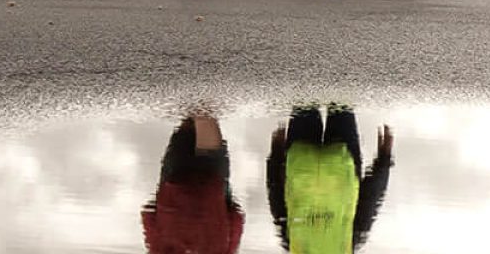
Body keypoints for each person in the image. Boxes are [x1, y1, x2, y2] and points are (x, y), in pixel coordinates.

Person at [266, 106, 393, 254]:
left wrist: (383, 160)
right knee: (305, 99)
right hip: (301, 163)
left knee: (341, 103)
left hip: (341, 165)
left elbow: (367, 204)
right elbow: (277, 204)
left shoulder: (345, 248)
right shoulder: (297, 248)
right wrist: (275, 156)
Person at [141, 110, 245, 254]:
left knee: (205, 116)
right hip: (175, 185)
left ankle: (203, 95)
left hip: (211, 191)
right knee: (189, 123)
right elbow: (148, 217)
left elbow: (236, 220)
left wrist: (225, 205)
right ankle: (191, 95)